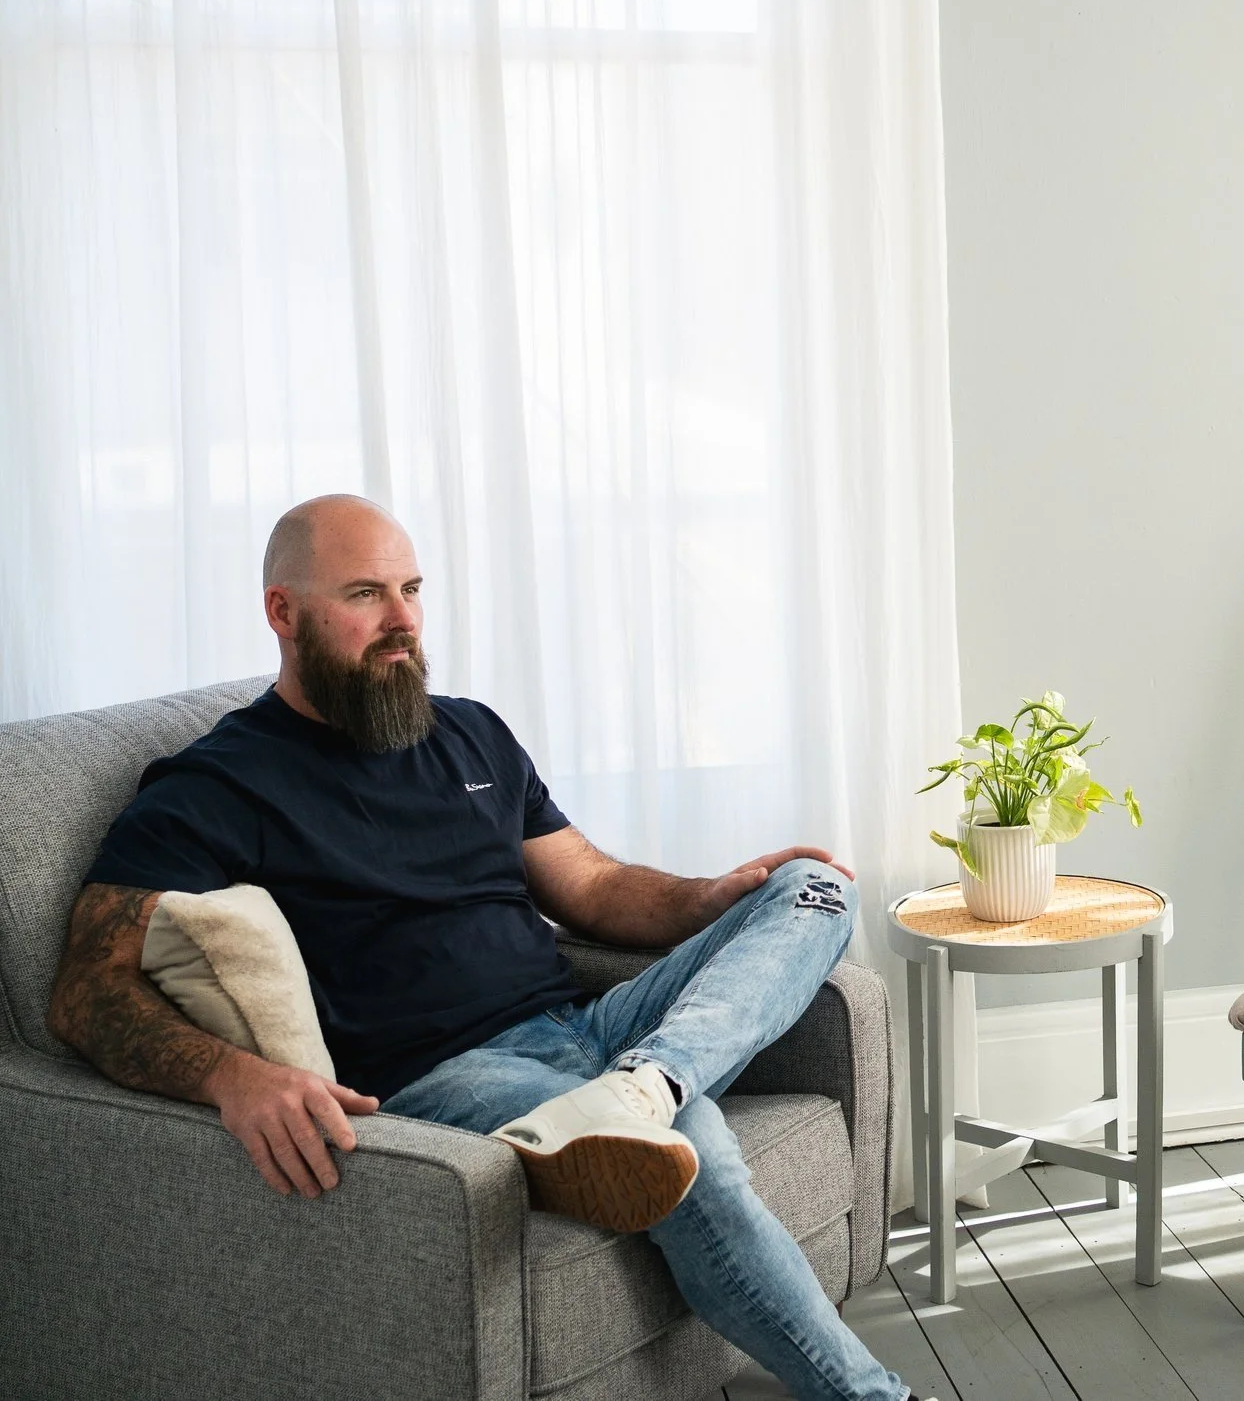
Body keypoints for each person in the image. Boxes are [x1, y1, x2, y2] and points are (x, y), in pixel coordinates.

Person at [47, 494, 934, 1401]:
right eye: (366, 594)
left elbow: (588, 885)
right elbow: (84, 988)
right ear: (284, 612)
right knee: (695, 1142)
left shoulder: (467, 729)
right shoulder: (216, 786)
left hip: (587, 1024)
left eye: (412, 588)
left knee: (815, 888)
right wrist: (234, 1078)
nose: (403, 621)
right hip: (446, 1072)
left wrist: (713, 896)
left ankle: (646, 1085)